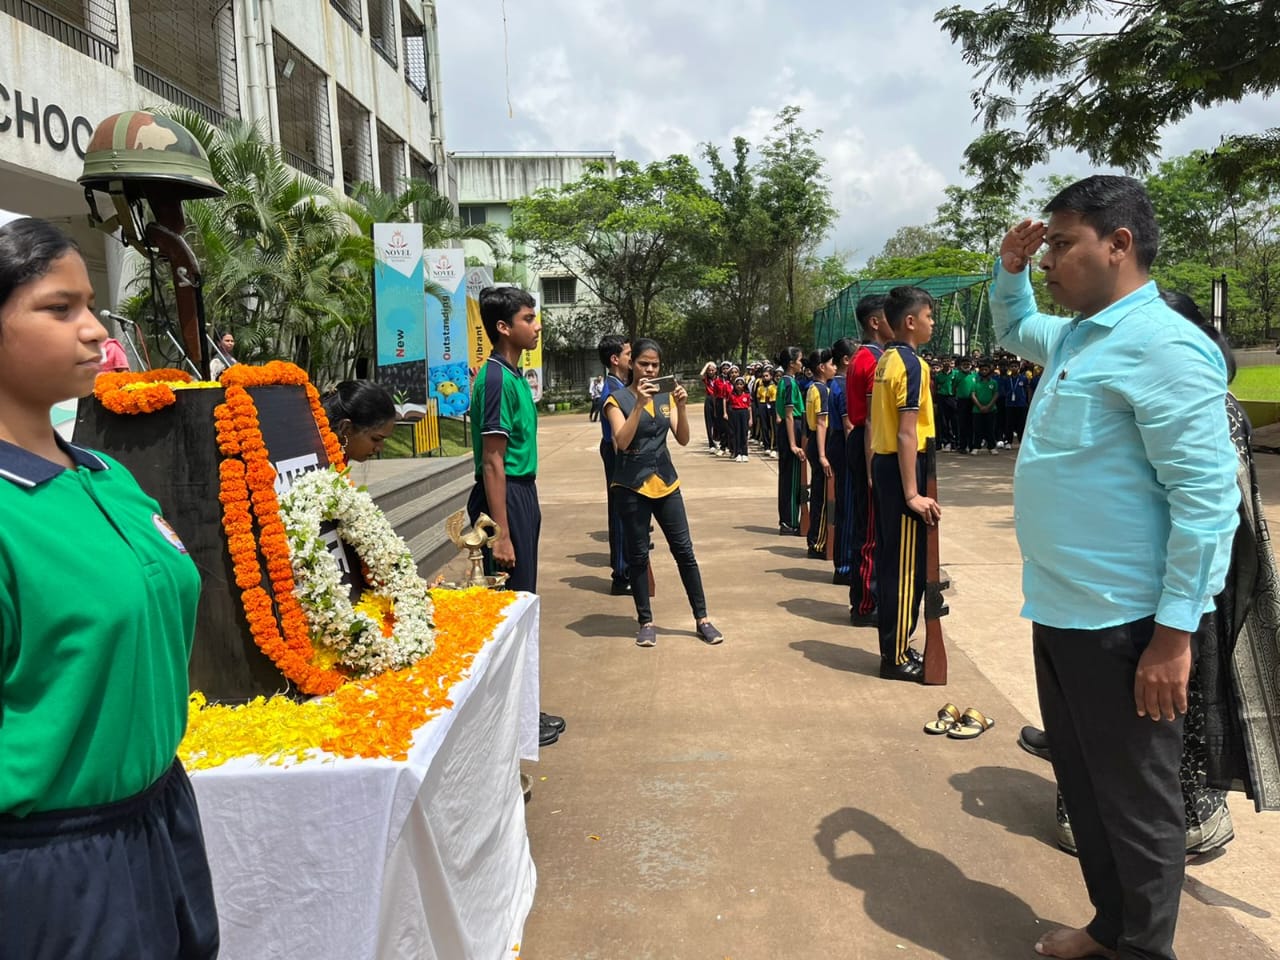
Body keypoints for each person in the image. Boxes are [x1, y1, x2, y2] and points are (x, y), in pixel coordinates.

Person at [993, 176, 1239, 960]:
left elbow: (1206, 504)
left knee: (1137, 803)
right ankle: (1111, 928)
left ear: (1119, 244)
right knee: (1089, 789)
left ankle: (1143, 948)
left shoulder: (1164, 347)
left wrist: (1174, 637)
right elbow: (1013, 325)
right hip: (1062, 611)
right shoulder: (1077, 336)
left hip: (1128, 626)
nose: (1052, 260)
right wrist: (1008, 269)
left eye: (1063, 245)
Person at [0, 217, 219, 958]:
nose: (96, 330)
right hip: (53, 862)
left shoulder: (106, 477)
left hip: (162, 817)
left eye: (89, 304)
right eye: (59, 310)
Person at [468, 285, 565, 748]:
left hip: (522, 494)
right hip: (504, 502)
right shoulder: (494, 380)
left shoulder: (513, 375)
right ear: (504, 327)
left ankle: (525, 711)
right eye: (529, 318)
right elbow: (492, 460)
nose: (537, 325)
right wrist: (502, 533)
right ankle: (510, 722)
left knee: (523, 605)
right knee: (509, 610)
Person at [603, 338, 723, 648]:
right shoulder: (616, 400)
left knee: (684, 551)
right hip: (631, 486)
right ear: (632, 364)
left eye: (655, 365)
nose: (649, 369)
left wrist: (681, 408)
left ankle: (703, 618)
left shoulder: (665, 397)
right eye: (643, 363)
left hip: (666, 482)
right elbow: (622, 442)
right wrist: (640, 405)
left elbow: (682, 438)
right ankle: (646, 621)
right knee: (638, 556)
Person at [870, 286, 939, 683]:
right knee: (904, 568)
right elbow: (907, 433)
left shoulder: (887, 360)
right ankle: (894, 656)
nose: (932, 323)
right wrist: (912, 493)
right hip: (903, 469)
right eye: (928, 316)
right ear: (910, 322)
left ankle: (895, 647)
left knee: (894, 560)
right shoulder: (911, 364)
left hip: (886, 465)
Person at [847, 295, 892, 627]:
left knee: (868, 523)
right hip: (869, 444)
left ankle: (867, 597)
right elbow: (872, 420)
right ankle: (866, 603)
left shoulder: (864, 355)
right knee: (871, 529)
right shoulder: (872, 359)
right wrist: (873, 467)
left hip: (864, 440)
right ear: (875, 322)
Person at [596, 335, 632, 594]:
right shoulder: (613, 389)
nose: (632, 358)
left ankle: (623, 566)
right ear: (615, 359)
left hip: (616, 450)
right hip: (617, 452)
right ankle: (621, 574)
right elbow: (618, 438)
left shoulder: (618, 384)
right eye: (629, 354)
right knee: (621, 512)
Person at [829, 338, 856, 585]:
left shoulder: (834, 383)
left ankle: (844, 562)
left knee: (844, 507)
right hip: (845, 446)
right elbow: (849, 424)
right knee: (848, 508)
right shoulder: (844, 384)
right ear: (847, 360)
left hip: (836, 442)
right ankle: (846, 566)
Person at [804, 348, 835, 559]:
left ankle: (815, 539)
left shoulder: (811, 388)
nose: (834, 368)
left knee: (818, 493)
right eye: (832, 364)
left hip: (815, 442)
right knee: (823, 496)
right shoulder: (822, 390)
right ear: (821, 367)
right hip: (821, 441)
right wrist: (824, 455)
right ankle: (818, 542)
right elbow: (822, 422)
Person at [322, 380, 397, 462]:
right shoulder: (313, 459)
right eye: (375, 439)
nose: (379, 448)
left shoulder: (339, 456)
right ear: (346, 428)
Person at [775, 346, 806, 535]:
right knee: (791, 478)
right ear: (792, 363)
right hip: (791, 428)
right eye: (800, 360)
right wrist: (793, 444)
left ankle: (788, 520)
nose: (802, 364)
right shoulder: (788, 383)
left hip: (792, 427)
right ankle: (790, 521)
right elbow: (788, 415)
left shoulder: (789, 382)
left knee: (788, 476)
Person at [970, 359, 999, 454]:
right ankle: (976, 447)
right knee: (977, 429)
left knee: (990, 429)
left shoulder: (993, 382)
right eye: (982, 370)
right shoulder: (975, 382)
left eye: (986, 370)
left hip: (991, 409)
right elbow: (973, 395)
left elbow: (996, 395)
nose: (984, 371)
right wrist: (980, 407)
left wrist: (988, 406)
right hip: (977, 410)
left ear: (989, 371)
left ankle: (991, 447)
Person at [728, 376, 752, 462]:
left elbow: (749, 407)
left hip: (744, 413)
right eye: (737, 384)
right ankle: (737, 453)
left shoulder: (747, 395)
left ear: (744, 385)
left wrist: (750, 419)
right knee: (736, 433)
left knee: (744, 434)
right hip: (735, 413)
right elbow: (730, 405)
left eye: (741, 384)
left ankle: (744, 453)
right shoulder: (732, 395)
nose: (739, 386)